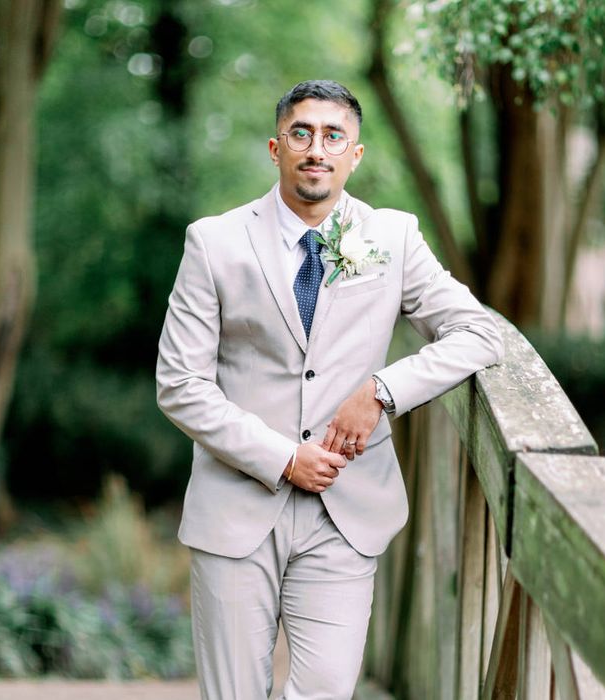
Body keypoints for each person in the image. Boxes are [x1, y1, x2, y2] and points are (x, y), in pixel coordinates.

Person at [156, 79, 503, 699]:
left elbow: (478, 332)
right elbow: (180, 384)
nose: (317, 148)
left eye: (333, 135)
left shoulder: (391, 238)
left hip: (345, 511)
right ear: (276, 147)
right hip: (236, 506)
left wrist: (382, 390)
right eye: (302, 133)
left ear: (355, 154)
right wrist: (283, 456)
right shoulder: (214, 243)